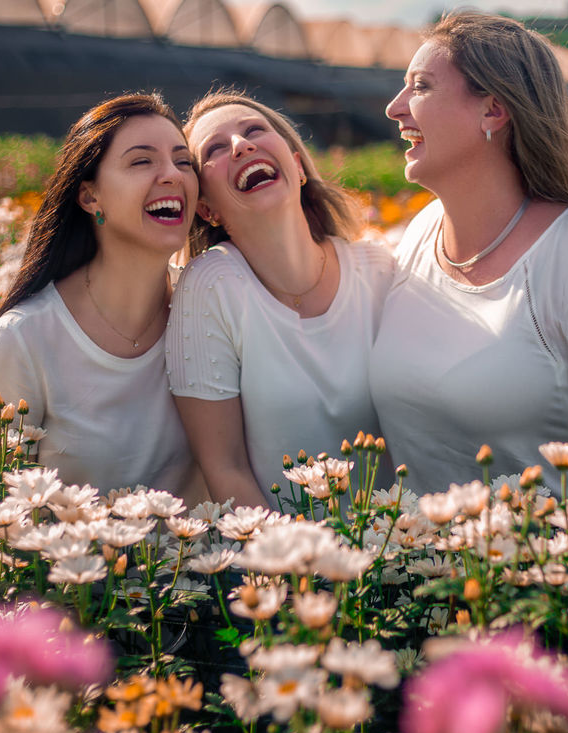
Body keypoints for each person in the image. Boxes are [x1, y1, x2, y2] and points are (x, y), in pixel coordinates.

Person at [370, 12, 568, 526]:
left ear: (493, 110)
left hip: (558, 584)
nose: (394, 107)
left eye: (420, 87)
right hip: (425, 587)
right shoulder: (420, 235)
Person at [166, 91, 396, 509]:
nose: (241, 145)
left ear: (297, 164)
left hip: (398, 551)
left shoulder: (378, 270)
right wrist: (293, 567)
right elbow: (225, 468)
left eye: (254, 130)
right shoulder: (210, 286)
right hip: (281, 562)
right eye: (216, 148)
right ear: (206, 209)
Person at [0, 93, 200, 496]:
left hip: (202, 557)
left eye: (184, 162)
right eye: (142, 161)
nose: (173, 175)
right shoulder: (24, 339)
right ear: (89, 196)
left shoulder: (209, 312)